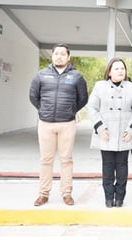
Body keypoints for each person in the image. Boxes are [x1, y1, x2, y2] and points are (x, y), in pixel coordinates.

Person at [29, 43, 88, 206]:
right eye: (56, 54)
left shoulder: (76, 76)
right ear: (52, 56)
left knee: (66, 159)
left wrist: (70, 111)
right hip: (45, 124)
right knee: (46, 160)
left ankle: (67, 193)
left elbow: (83, 98)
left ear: (68, 57)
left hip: (67, 124)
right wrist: (43, 110)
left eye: (63, 54)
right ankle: (43, 194)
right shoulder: (41, 75)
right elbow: (33, 96)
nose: (59, 56)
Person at [87, 57, 132, 208]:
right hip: (106, 133)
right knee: (107, 166)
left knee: (122, 166)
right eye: (116, 68)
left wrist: (131, 129)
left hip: (125, 133)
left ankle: (120, 198)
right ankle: (108, 197)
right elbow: (91, 108)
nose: (120, 71)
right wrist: (100, 128)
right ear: (109, 71)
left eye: (122, 68)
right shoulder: (100, 86)